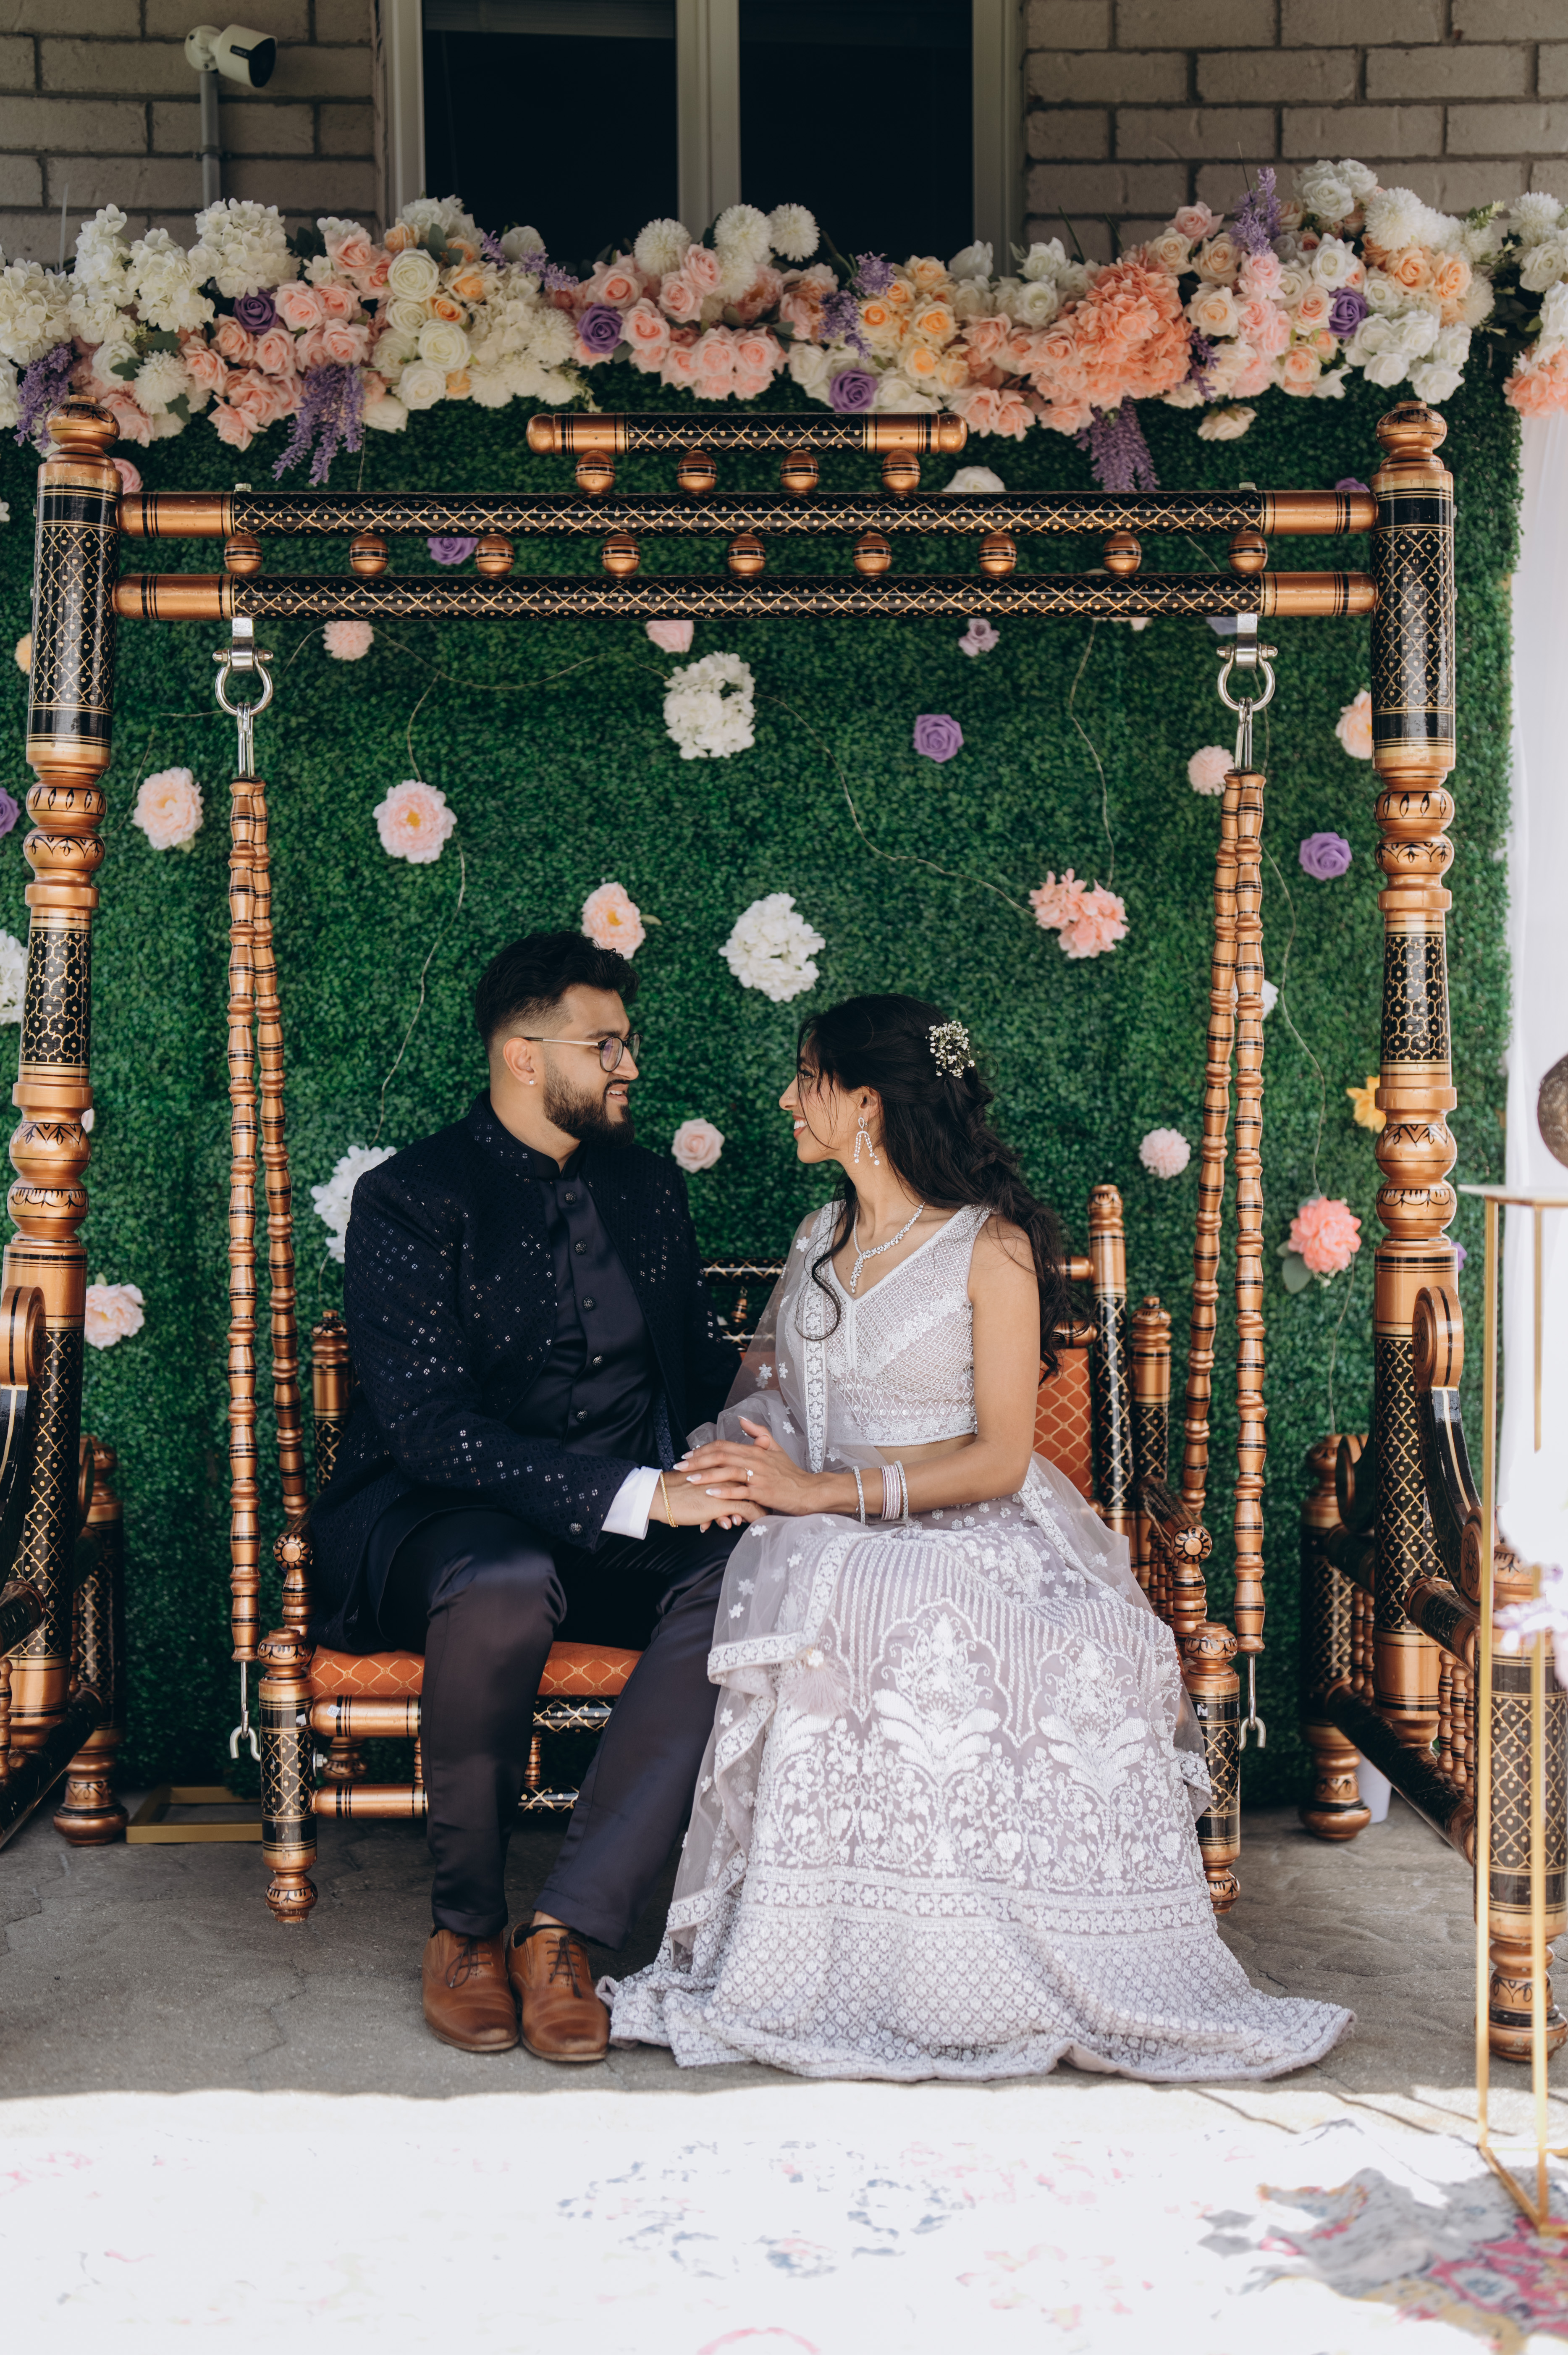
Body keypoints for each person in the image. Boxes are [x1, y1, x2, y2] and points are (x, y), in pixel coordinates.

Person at [609, 994, 1353, 2081]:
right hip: (825, 1526)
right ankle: (828, 1958)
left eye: (806, 1078)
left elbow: (1002, 1457)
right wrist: (741, 1463)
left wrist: (824, 1492)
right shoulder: (816, 1238)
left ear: (867, 1102)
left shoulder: (989, 1249)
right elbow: (775, 1399)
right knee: (831, 1589)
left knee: (920, 1603)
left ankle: (987, 1960)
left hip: (973, 1523)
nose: (787, 1099)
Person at [309, 932, 758, 2059]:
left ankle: (566, 1932)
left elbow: (695, 1366)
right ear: (523, 1055)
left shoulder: (647, 1189)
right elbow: (429, 1430)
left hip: (624, 1524)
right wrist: (636, 1493)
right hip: (439, 1524)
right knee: (505, 1579)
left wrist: (753, 1461)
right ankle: (464, 1931)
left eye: (627, 1042)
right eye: (606, 1046)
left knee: (751, 1573)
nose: (630, 1067)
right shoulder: (411, 1198)